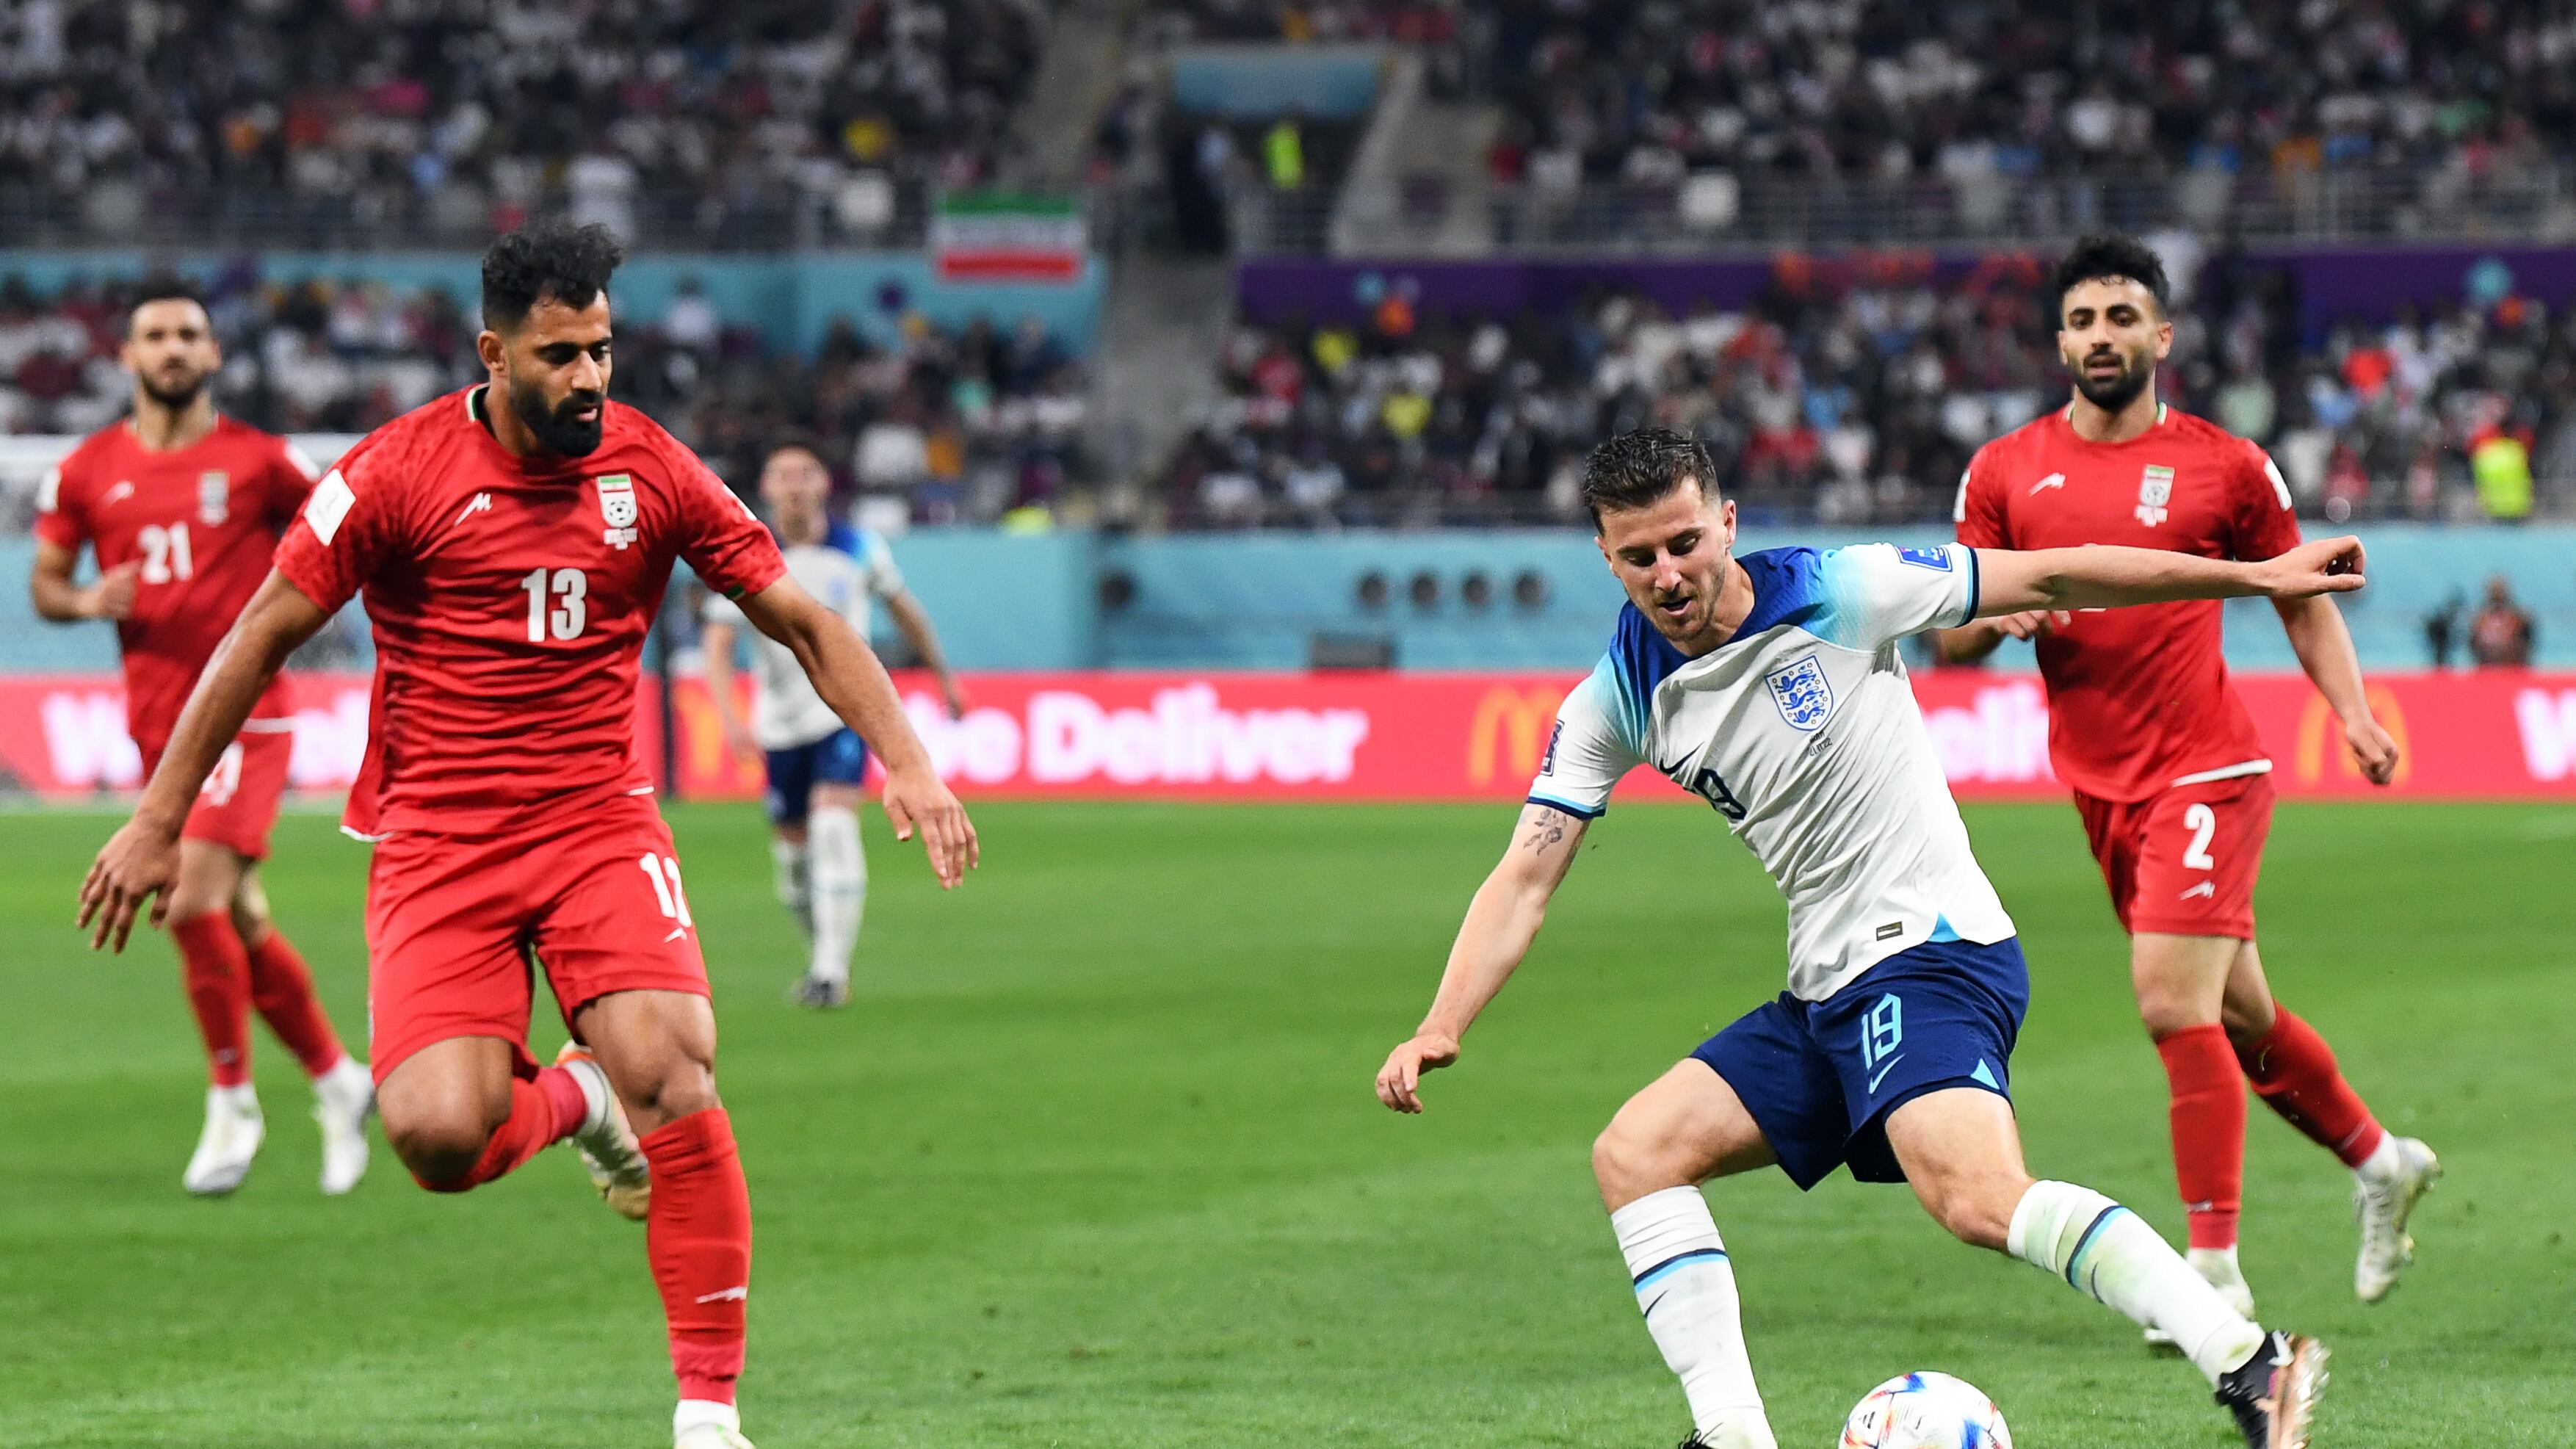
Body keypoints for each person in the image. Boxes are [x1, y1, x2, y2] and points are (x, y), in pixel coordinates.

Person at [76, 220, 978, 1449]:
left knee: (679, 1060)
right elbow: (260, 634)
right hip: (438, 839)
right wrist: (156, 819)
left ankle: (708, 1411)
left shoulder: (652, 468)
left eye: (602, 349)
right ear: (491, 351)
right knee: (442, 1138)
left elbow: (804, 620)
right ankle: (578, 1099)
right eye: (561, 356)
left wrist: (909, 758)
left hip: (596, 818)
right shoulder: (392, 474)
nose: (590, 379)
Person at [1375, 428, 2351, 1449]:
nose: (1669, 575)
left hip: (1931, 952)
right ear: (1605, 557)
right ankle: (1733, 1436)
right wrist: (1442, 1020)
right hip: (1829, 986)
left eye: (1685, 542)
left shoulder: (1845, 590)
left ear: (1728, 524)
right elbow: (1527, 872)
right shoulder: (1613, 698)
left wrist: (2257, 575)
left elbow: (2059, 570)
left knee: (1976, 1196)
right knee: (1636, 1154)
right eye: (1640, 556)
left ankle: (2249, 1359)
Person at [1939, 234, 2439, 1327]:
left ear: (2162, 336)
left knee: (2171, 1001)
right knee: (2243, 1018)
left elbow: (2300, 596)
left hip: (2210, 765)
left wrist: (2351, 712)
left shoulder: (2226, 464)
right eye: (2082, 321)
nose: (2101, 338)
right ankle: (2380, 1160)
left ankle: (2210, 1275)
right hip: (2101, 783)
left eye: (2122, 318)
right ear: (2058, 341)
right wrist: (1989, 619)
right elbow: (1954, 633)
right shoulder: (2005, 472)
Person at [32, 278, 374, 1199]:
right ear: (127, 357)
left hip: (248, 715)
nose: (175, 348)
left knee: (188, 904)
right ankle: (339, 1076)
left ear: (214, 354)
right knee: (242, 921)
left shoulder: (263, 461)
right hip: (155, 723)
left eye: (190, 334)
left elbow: (343, 537)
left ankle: (233, 1098)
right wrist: (83, 600)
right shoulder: (87, 469)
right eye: (156, 335)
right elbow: (46, 584)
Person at [701, 440, 967, 1008]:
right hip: (779, 724)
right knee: (792, 868)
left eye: (806, 472)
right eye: (782, 474)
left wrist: (944, 678)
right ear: (767, 488)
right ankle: (822, 954)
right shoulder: (748, 548)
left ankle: (829, 971)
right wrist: (730, 715)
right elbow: (718, 642)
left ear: (824, 482)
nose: (795, 483)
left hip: (843, 713)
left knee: (833, 828)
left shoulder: (859, 547)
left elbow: (906, 612)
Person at [2468, 575, 2536, 666]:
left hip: (2514, 669)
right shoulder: (2479, 620)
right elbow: (2473, 646)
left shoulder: (2520, 619)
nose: (2497, 597)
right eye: (2494, 593)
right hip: (2487, 670)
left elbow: (2529, 644)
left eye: (2500, 592)